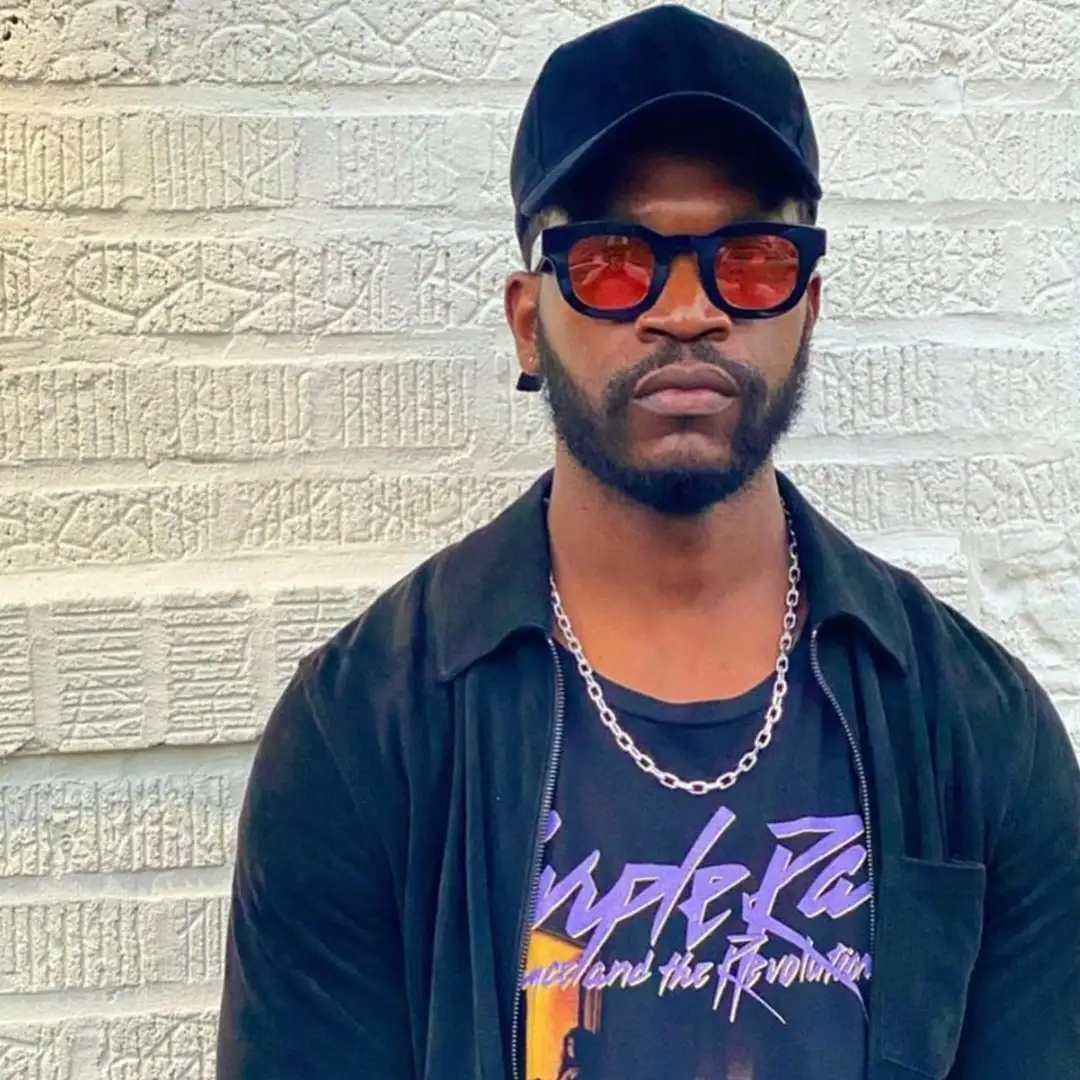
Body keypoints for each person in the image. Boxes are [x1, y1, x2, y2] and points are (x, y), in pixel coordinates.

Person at [215, 7, 1080, 1080]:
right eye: (616, 262)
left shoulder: (974, 726)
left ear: (808, 309)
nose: (686, 311)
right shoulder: (367, 730)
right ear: (528, 322)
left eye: (748, 261)